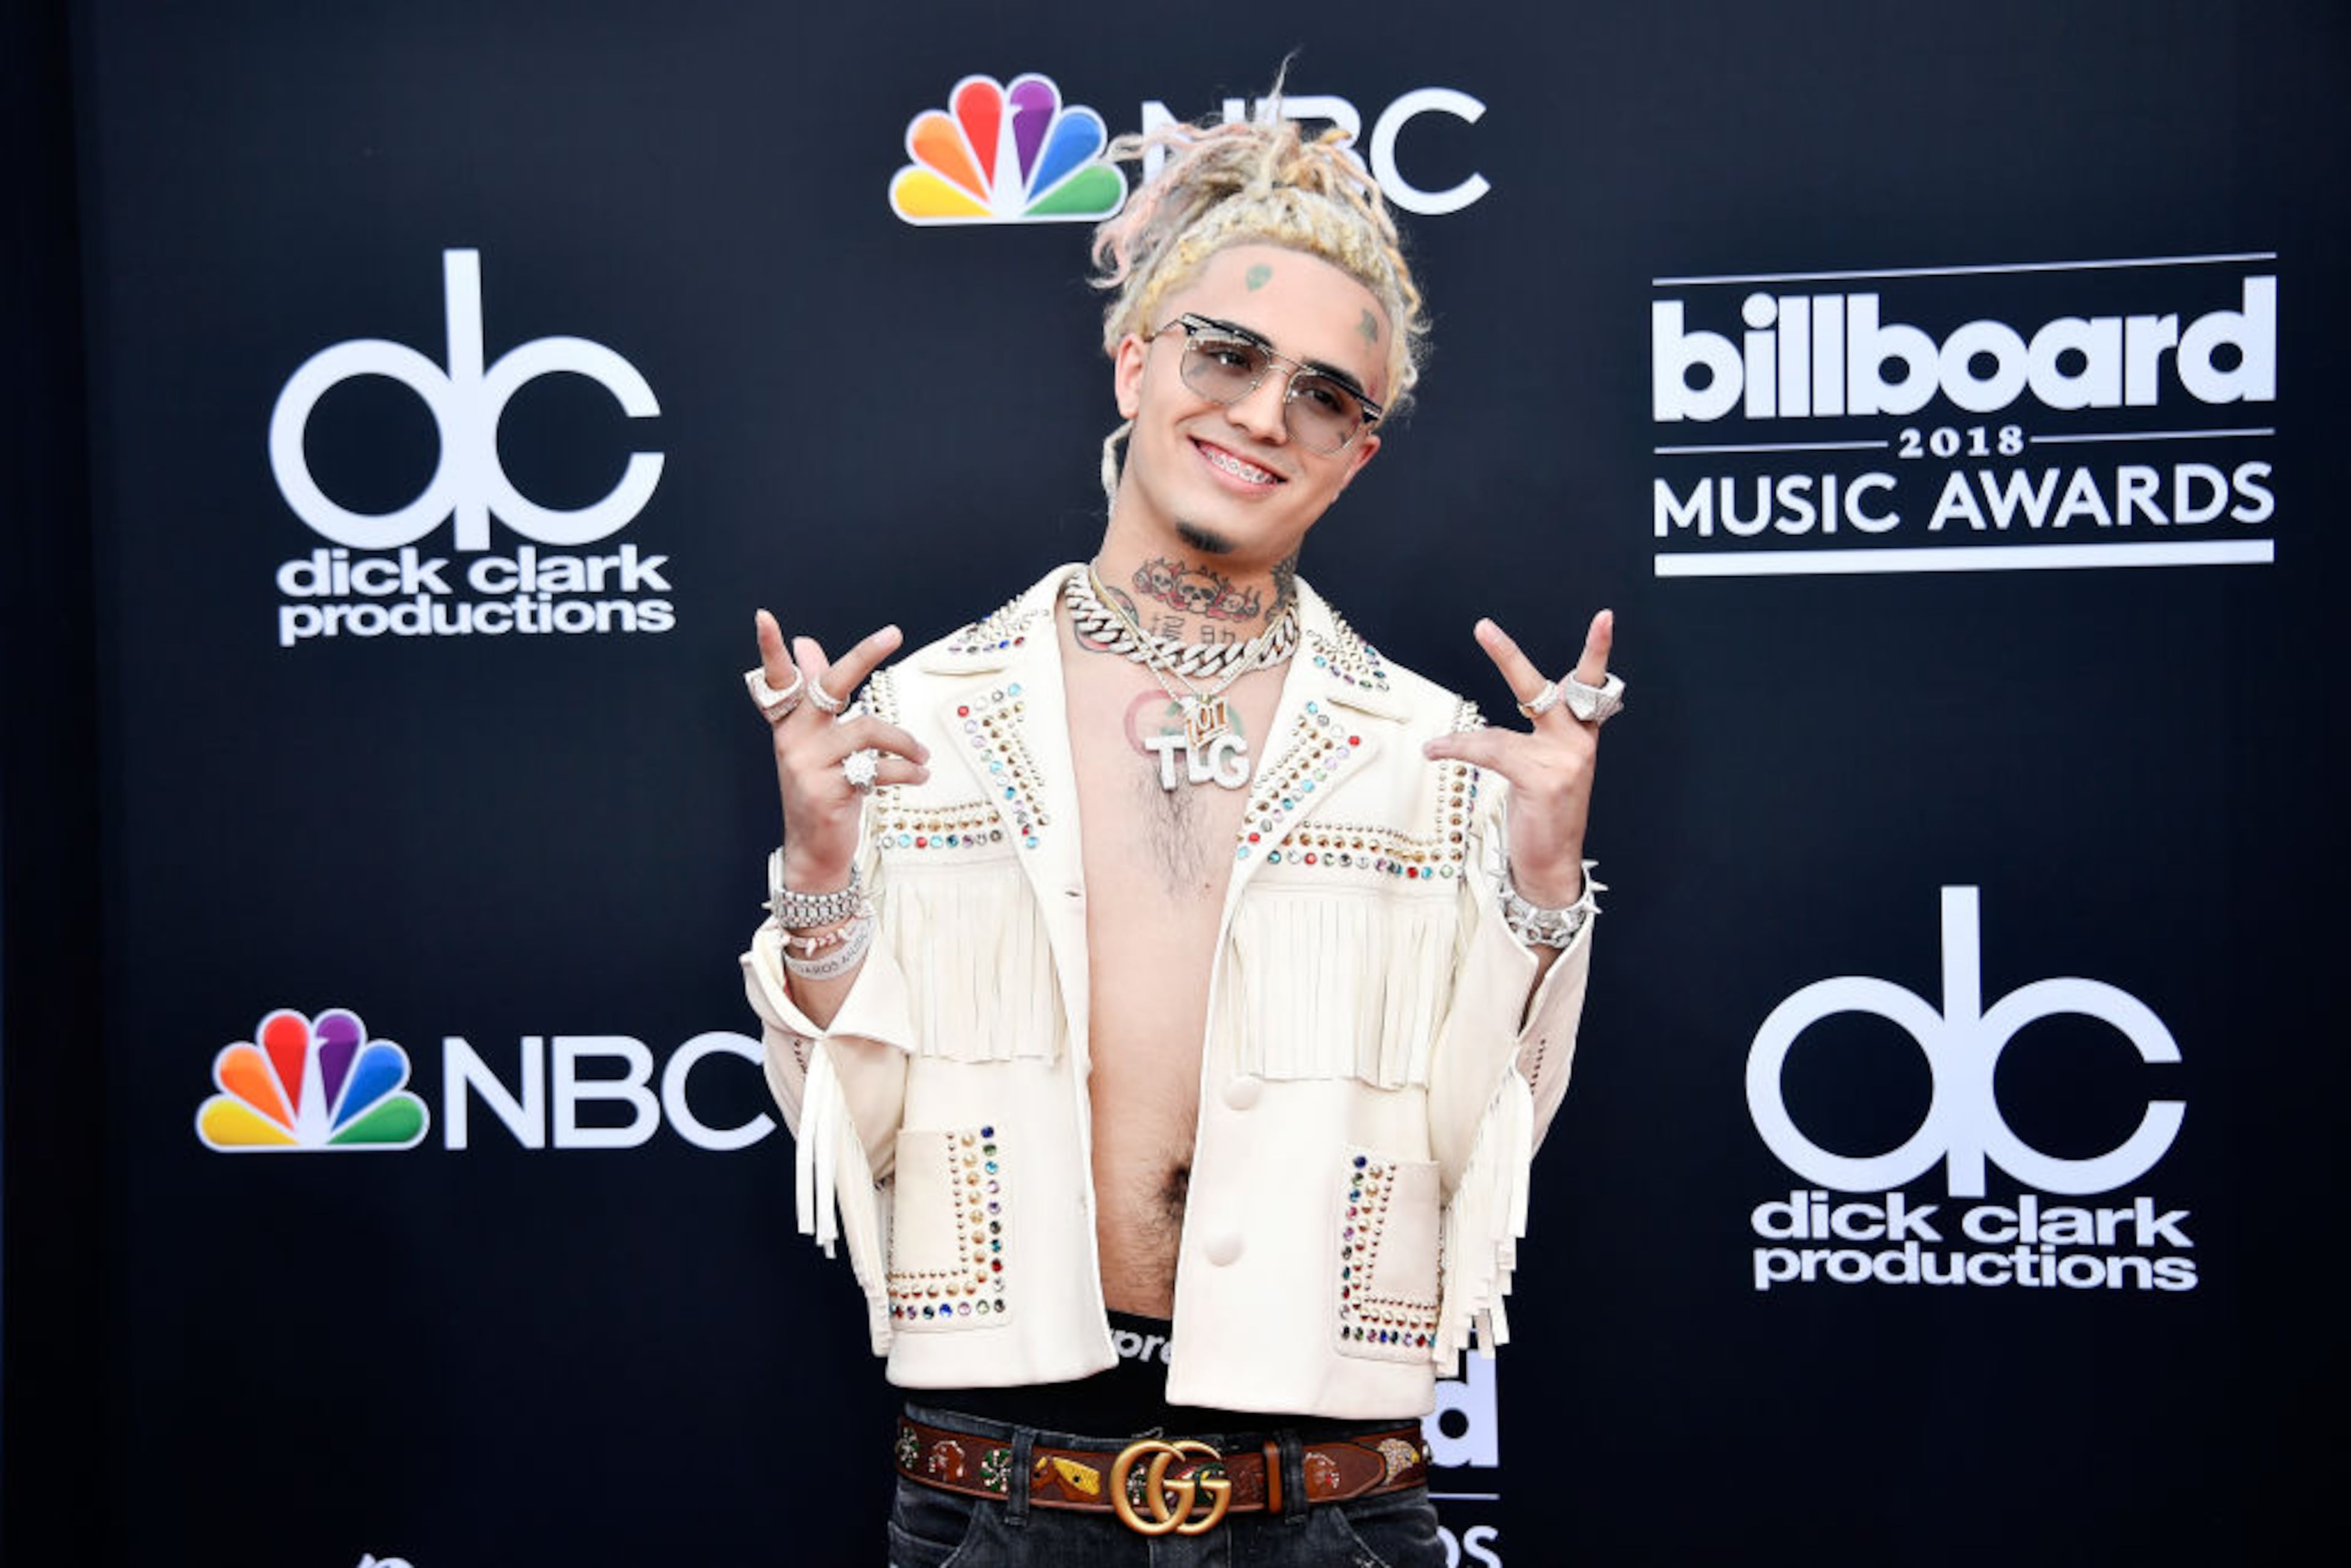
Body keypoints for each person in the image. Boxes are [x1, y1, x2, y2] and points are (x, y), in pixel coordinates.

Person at [740, 100, 1623, 1566]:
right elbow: (854, 1140)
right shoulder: (925, 719)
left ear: (1358, 455)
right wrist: (821, 879)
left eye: (1326, 396)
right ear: (1138, 362)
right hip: (1001, 1501)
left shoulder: (1437, 751)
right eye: (1228, 354)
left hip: (1334, 1512)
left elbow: (1486, 1150)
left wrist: (1540, 891)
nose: (1265, 414)